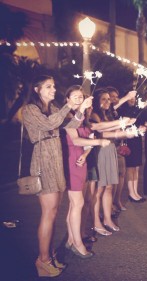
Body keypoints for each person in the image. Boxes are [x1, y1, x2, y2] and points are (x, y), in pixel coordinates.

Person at [22, 75, 92, 277]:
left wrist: (79, 111)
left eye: (53, 86)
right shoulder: (30, 110)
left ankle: (48, 256)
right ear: (37, 89)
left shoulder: (53, 109)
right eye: (48, 87)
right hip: (43, 161)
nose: (54, 90)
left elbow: (69, 127)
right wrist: (69, 105)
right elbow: (48, 124)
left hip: (56, 160)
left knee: (53, 212)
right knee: (48, 212)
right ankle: (42, 260)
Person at [62, 86, 111, 259]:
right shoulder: (67, 118)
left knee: (75, 204)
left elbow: (87, 140)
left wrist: (86, 153)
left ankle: (70, 239)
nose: (78, 99)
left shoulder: (82, 119)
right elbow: (74, 139)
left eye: (80, 96)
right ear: (67, 100)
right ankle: (77, 243)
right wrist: (99, 142)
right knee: (78, 203)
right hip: (71, 163)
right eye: (74, 96)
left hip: (80, 161)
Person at [90, 88, 138, 236]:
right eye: (103, 99)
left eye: (108, 99)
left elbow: (113, 125)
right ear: (97, 101)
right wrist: (121, 132)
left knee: (109, 187)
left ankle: (108, 219)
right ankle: (96, 222)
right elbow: (99, 131)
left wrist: (127, 124)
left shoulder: (108, 114)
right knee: (99, 189)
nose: (107, 102)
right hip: (100, 151)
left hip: (110, 150)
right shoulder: (94, 115)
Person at [117, 91, 146, 202]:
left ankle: (135, 191)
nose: (132, 100)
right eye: (130, 98)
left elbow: (141, 122)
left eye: (134, 98)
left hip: (137, 139)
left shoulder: (137, 109)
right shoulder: (122, 110)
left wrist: (142, 127)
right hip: (128, 140)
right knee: (130, 167)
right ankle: (131, 193)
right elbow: (121, 126)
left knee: (136, 167)